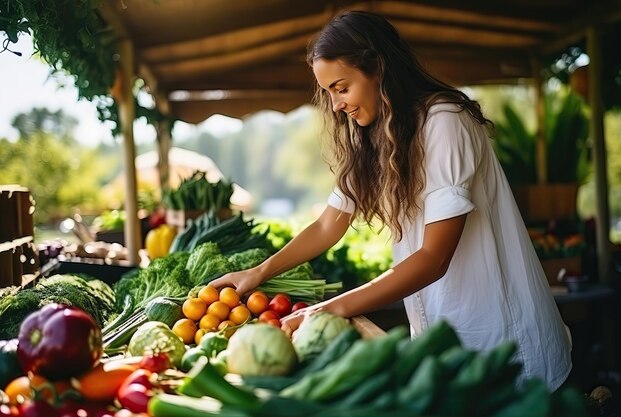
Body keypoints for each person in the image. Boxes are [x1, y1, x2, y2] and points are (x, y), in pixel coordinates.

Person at [211, 10, 572, 391]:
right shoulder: (375, 134)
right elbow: (327, 224)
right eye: (329, 92)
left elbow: (434, 258)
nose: (336, 105)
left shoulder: (444, 122)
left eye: (342, 87)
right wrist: (257, 274)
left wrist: (328, 309)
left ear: (378, 69)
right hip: (442, 338)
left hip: (503, 338)